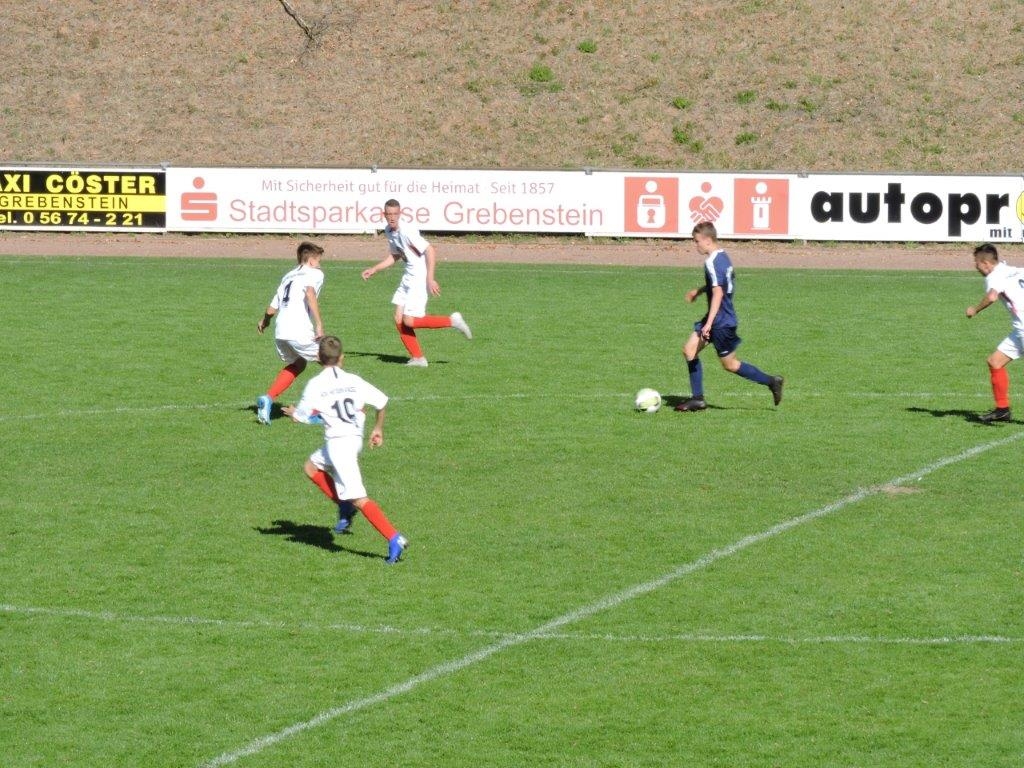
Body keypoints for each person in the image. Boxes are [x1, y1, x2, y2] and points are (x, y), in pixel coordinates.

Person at [282, 335, 408, 564]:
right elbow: (382, 402)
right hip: (352, 438)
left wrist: (293, 413)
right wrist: (378, 429)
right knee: (311, 467)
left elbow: (301, 416)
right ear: (342, 357)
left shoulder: (316, 385)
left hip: (340, 446)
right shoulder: (354, 380)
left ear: (318, 358)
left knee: (359, 498)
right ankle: (344, 506)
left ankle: (394, 537)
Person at [675, 221, 784, 412]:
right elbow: (720, 284)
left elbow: (718, 293)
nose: (695, 245)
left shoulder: (711, 262)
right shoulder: (723, 256)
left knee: (730, 364)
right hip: (720, 317)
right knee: (689, 350)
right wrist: (700, 291)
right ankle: (698, 399)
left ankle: (771, 381)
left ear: (707, 240)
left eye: (697, 241)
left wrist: (708, 324)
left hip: (720, 322)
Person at [361, 198, 472, 366]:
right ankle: (418, 358)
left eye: (395, 214)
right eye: (389, 214)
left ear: (400, 213)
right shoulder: (389, 231)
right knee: (398, 318)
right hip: (408, 276)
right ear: (384, 214)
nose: (392, 217)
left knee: (409, 321)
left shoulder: (407, 231)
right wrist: (375, 269)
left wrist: (430, 278)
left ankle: (452, 321)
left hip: (418, 277)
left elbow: (430, 250)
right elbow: (396, 255)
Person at [255, 241, 327, 424]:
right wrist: (319, 324)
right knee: (332, 361)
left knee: (299, 363)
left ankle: (268, 399)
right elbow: (310, 293)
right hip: (298, 329)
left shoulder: (288, 276)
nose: (320, 265)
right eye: (319, 261)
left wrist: (264, 321)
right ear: (311, 261)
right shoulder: (316, 274)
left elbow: (272, 308)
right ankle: (320, 412)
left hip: (281, 331)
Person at [965, 243, 1024, 423]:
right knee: (995, 361)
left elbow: (992, 297)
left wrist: (975, 310)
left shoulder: (994, 276)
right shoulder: (1013, 270)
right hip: (1019, 330)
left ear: (985, 263)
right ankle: (1002, 410)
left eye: (976, 263)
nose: (976, 267)